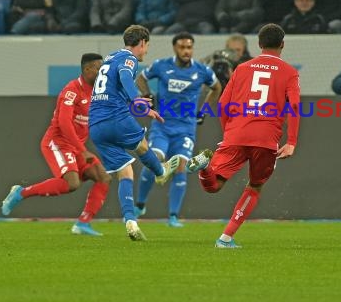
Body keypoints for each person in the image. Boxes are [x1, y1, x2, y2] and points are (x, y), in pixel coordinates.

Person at [186, 23, 300, 248]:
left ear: (259, 44)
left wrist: (228, 131)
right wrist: (292, 142)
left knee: (213, 185)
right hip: (266, 138)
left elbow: (222, 103)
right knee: (255, 186)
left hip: (236, 133)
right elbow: (294, 106)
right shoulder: (289, 72)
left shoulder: (242, 68)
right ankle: (225, 238)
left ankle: (205, 166)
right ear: (283, 45)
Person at [1, 53, 111, 236]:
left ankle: (83, 224)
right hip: (58, 143)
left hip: (76, 146)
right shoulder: (71, 90)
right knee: (72, 183)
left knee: (103, 177)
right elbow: (64, 123)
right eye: (99, 69)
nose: (103, 73)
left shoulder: (98, 92)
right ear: (87, 70)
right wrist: (83, 151)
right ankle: (21, 192)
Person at [88, 25, 181, 241]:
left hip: (96, 125)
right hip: (115, 117)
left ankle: (130, 221)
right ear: (142, 43)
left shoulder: (110, 58)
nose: (146, 51)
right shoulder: (128, 59)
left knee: (126, 172)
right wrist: (139, 100)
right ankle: (160, 172)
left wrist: (137, 104)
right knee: (142, 146)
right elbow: (126, 78)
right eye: (146, 46)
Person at [134, 32, 222, 227]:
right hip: (162, 126)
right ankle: (139, 205)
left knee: (181, 167)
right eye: (182, 47)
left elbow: (217, 87)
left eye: (189, 47)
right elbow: (141, 78)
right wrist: (148, 95)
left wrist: (204, 110)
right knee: (154, 162)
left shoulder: (202, 71)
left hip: (185, 129)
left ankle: (173, 216)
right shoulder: (161, 65)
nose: (186, 51)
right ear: (175, 48)